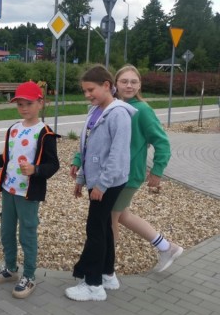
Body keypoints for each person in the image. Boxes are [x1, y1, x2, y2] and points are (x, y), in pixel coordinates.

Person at [72, 65, 183, 274]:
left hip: (126, 175)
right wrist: (79, 159)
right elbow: (92, 138)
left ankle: (105, 269)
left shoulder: (141, 110)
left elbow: (162, 142)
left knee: (109, 220)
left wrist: (157, 170)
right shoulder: (107, 107)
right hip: (110, 174)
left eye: (134, 82)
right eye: (124, 81)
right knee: (122, 215)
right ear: (114, 84)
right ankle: (167, 247)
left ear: (140, 85)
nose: (129, 86)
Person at [0, 81, 59, 299]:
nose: (24, 108)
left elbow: (53, 165)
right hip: (9, 190)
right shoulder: (14, 129)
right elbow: (8, 159)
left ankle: (29, 275)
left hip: (28, 194)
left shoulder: (45, 133)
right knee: (6, 231)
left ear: (41, 103)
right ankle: (11, 269)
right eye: (20, 104)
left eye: (29, 103)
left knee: (27, 233)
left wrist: (36, 170)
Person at [65, 65, 136, 302]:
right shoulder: (96, 110)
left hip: (108, 183)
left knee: (95, 230)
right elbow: (87, 147)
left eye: (91, 90)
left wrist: (102, 185)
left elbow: (118, 155)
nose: (87, 95)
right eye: (84, 91)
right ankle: (107, 275)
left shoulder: (118, 114)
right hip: (96, 180)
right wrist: (81, 178)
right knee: (104, 226)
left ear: (107, 85)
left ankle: (93, 285)